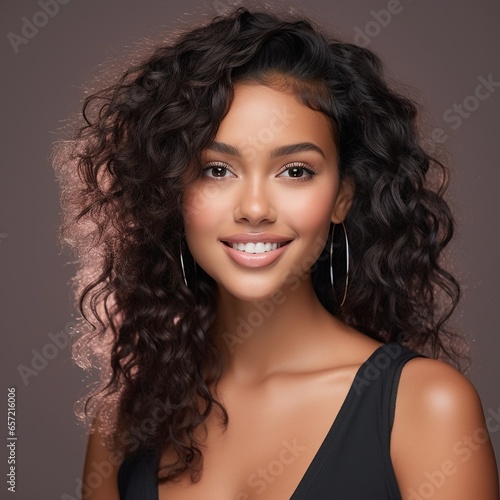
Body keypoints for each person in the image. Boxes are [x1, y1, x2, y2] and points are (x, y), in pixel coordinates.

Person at [53, 4, 499, 499]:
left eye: (295, 171)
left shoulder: (426, 406)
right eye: (217, 170)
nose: (256, 208)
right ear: (170, 195)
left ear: (342, 197)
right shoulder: (125, 424)